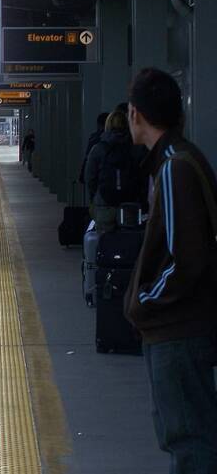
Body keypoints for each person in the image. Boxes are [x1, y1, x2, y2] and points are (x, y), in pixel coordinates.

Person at [124, 67, 217, 473]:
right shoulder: (178, 159)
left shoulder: (174, 168)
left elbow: (187, 259)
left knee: (188, 439)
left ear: (136, 114)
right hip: (181, 327)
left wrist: (145, 301)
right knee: (187, 434)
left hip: (178, 329)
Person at [84, 110, 143, 232]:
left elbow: (90, 177)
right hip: (129, 204)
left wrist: (95, 196)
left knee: (105, 243)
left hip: (104, 204)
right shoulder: (136, 148)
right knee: (129, 242)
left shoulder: (98, 148)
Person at [79, 111, 109, 186]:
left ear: (99, 124)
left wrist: (82, 175)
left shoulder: (95, 139)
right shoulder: (125, 139)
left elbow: (88, 158)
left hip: (100, 180)